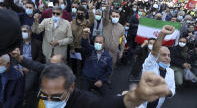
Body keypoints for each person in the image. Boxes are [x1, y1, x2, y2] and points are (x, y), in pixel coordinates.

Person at [33, 64, 172, 108]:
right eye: (44, 95)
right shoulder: (42, 99)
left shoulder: (85, 102)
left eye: (57, 97)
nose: (48, 102)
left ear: (71, 87)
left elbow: (105, 105)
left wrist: (135, 96)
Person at [140, 25, 176, 108]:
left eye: (168, 55)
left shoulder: (171, 72)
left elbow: (172, 89)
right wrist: (162, 34)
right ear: (157, 57)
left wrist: (167, 92)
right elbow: (154, 51)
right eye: (164, 55)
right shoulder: (149, 67)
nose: (167, 58)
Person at [80, 28, 112, 96]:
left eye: (100, 42)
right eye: (96, 42)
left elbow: (108, 71)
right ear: (94, 42)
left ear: (103, 44)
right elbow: (84, 44)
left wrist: (102, 80)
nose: (98, 44)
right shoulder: (90, 50)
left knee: (108, 96)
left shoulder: (108, 57)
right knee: (83, 97)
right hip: (87, 79)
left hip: (99, 80)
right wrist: (85, 36)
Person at [70, 3, 94, 75]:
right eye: (78, 13)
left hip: (83, 47)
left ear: (84, 14)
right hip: (74, 46)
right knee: (73, 63)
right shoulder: (72, 23)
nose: (80, 14)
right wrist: (72, 47)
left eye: (82, 13)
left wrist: (90, 10)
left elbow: (91, 21)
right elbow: (70, 36)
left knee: (83, 63)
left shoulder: (86, 22)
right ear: (76, 13)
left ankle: (81, 76)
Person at [103, 0, 125, 67]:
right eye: (113, 16)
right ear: (110, 16)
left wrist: (121, 51)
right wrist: (108, 6)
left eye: (117, 16)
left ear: (119, 17)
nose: (115, 18)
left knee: (110, 69)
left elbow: (122, 41)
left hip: (114, 53)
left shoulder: (121, 28)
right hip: (103, 51)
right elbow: (105, 16)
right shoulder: (106, 23)